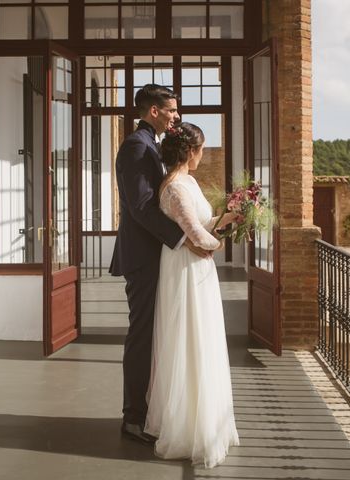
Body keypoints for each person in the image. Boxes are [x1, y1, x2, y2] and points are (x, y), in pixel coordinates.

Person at [109, 84, 209, 443]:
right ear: (153, 111)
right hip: (143, 258)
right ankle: (133, 418)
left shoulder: (151, 145)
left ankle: (153, 411)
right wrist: (184, 239)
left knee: (158, 335)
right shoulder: (137, 146)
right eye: (171, 109)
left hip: (158, 255)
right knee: (143, 335)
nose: (176, 115)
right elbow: (141, 207)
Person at [144, 122, 240, 468]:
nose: (202, 154)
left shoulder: (190, 182)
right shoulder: (174, 188)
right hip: (184, 269)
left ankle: (205, 420)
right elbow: (194, 233)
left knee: (204, 338)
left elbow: (203, 223)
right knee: (189, 339)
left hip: (197, 267)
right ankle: (187, 427)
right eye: (200, 148)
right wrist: (216, 243)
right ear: (189, 151)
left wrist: (227, 218)